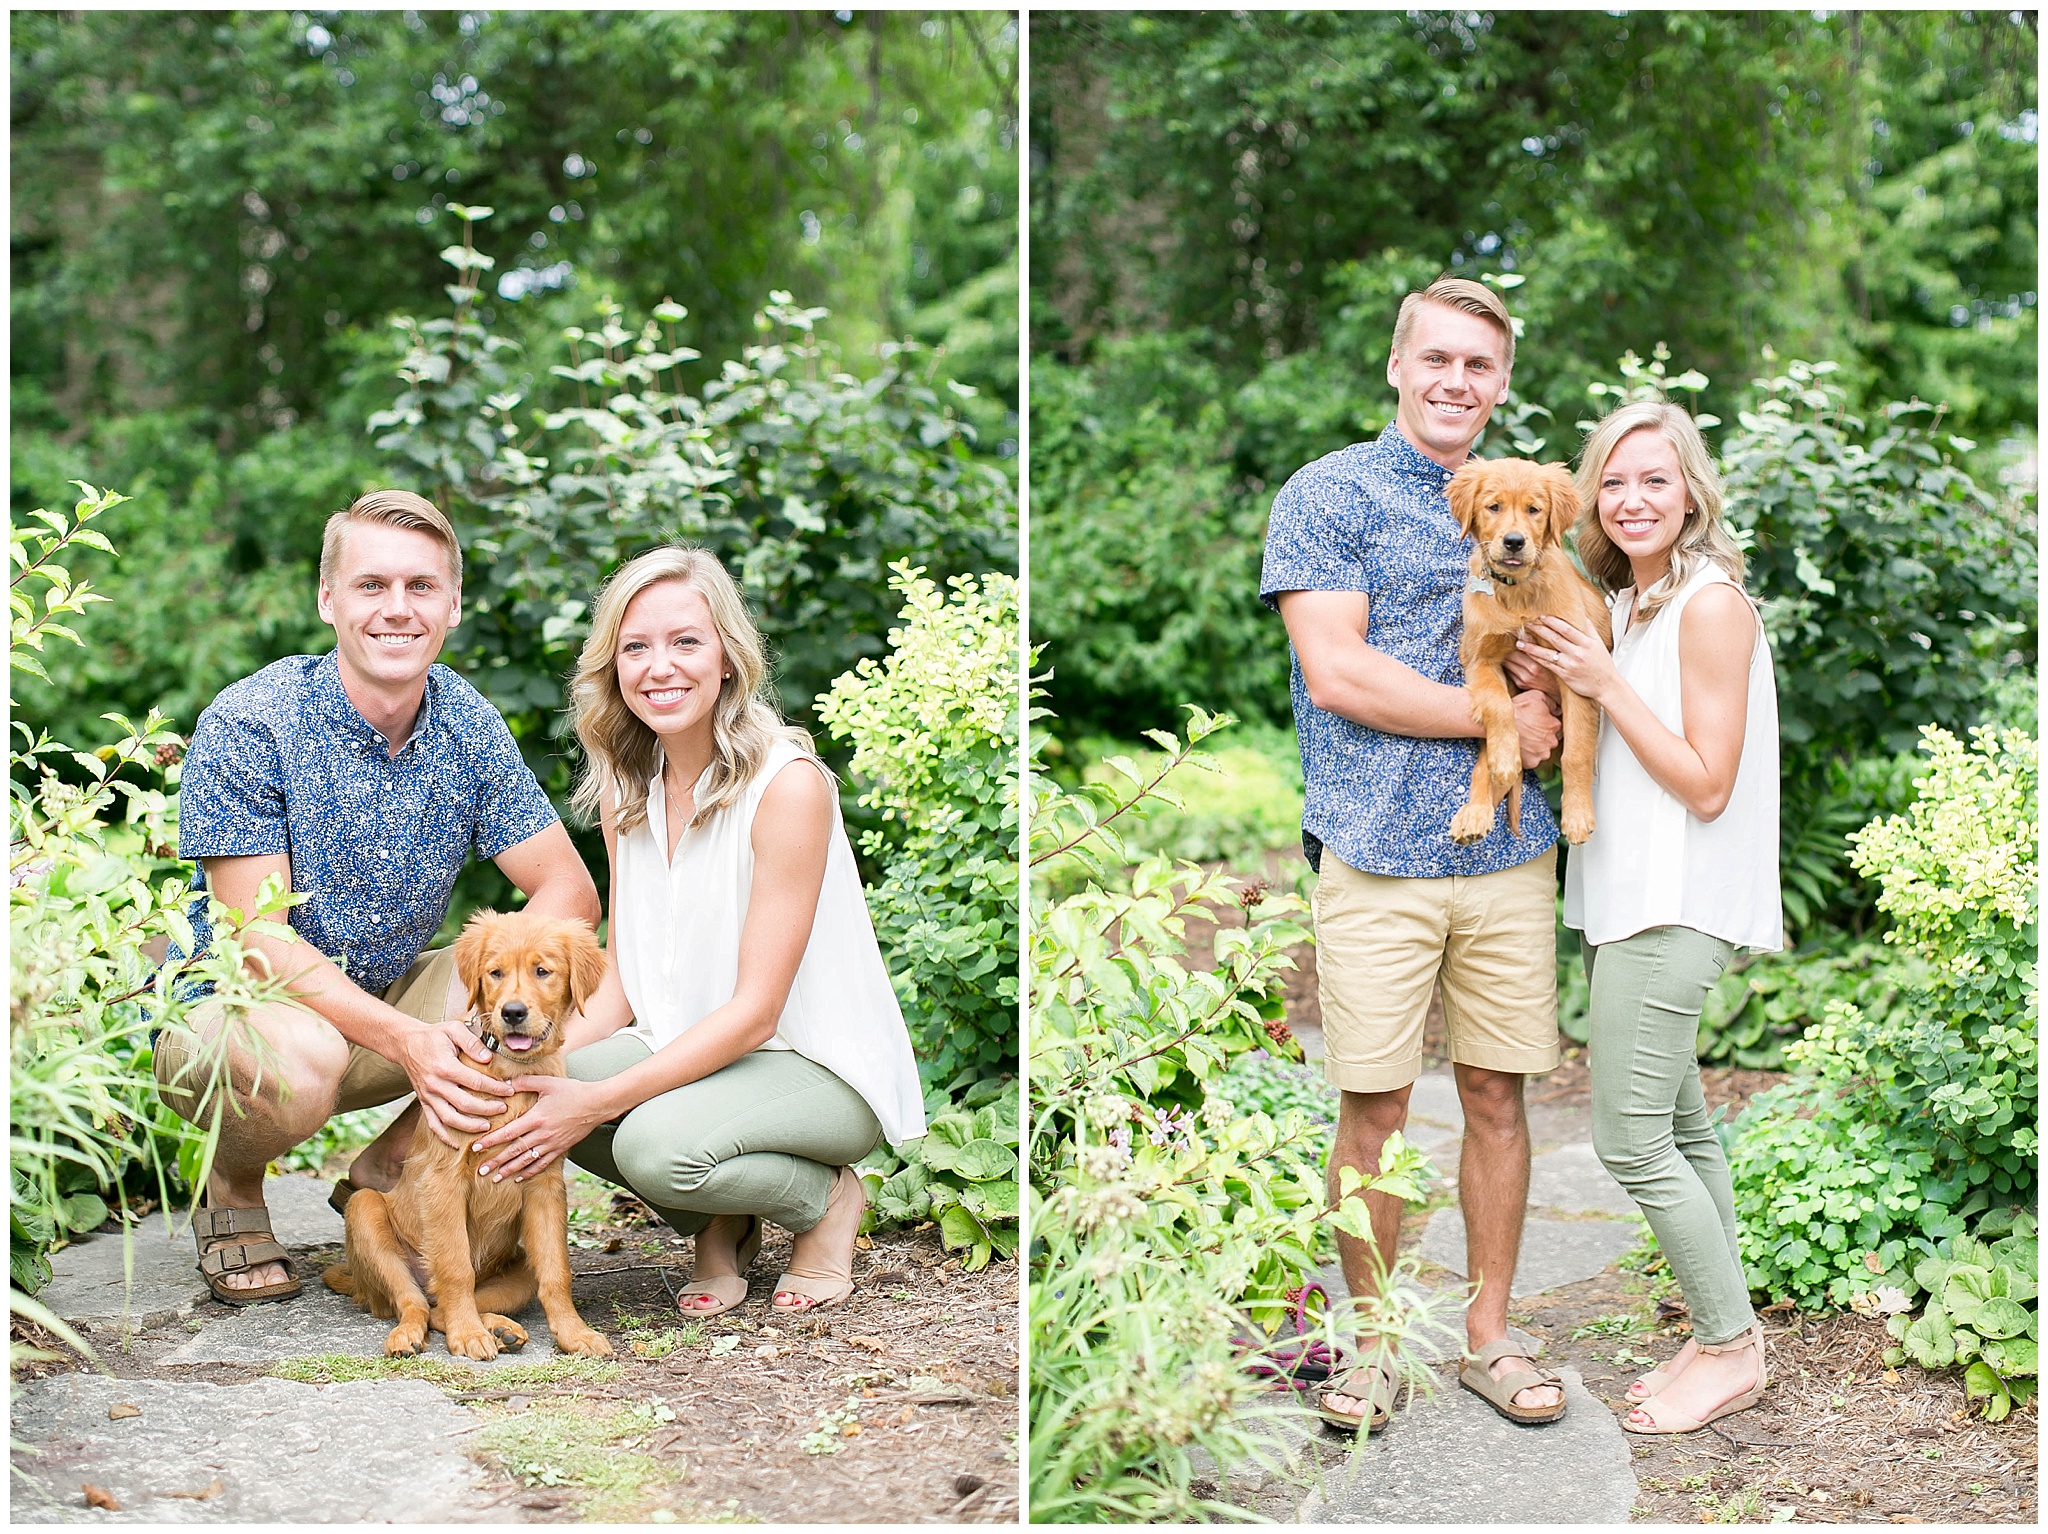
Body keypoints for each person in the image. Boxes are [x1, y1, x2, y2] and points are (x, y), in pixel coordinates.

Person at [156, 490, 600, 1305]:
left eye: (421, 588)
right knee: (306, 1055)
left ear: (453, 604)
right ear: (328, 598)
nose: (397, 610)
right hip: (245, 1009)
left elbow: (567, 890)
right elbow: (260, 942)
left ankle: (397, 1158)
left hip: (386, 996)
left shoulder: (465, 722)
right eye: (371, 586)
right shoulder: (253, 719)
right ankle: (234, 1185)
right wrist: (414, 1042)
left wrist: (470, 1021)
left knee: (588, 977)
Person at [1260, 275, 1570, 1432]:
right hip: (1375, 851)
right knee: (1373, 1102)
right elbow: (1338, 673)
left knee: (1496, 1093)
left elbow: (1572, 638)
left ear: (1498, 383)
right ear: (1397, 366)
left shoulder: (1522, 498)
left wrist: (1551, 713)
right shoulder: (1325, 493)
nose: (1455, 382)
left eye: (1478, 365)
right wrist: (1500, 717)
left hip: (1505, 847)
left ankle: (1487, 1337)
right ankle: (1375, 1340)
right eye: (1435, 359)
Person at [467, 546, 926, 1316]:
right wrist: (516, 1066)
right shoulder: (626, 788)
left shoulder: (787, 786)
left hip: (812, 1066)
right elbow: (624, 978)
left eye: (686, 642)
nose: (660, 667)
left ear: (727, 657)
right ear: (612, 667)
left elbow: (757, 1015)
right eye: (635, 647)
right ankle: (722, 1221)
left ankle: (827, 1202)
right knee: (538, 1083)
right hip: (686, 1050)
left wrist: (601, 1095)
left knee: (649, 1145)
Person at [1520, 401, 1781, 1434]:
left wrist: (1602, 686)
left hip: (1675, 906)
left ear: (1689, 493)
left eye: (1654, 481)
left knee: (1626, 1141)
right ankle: (1726, 1331)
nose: (1632, 499)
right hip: (1624, 898)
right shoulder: (1625, 606)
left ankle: (1725, 1348)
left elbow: (1706, 782)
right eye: (1614, 481)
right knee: (1679, 1126)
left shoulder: (1709, 605)